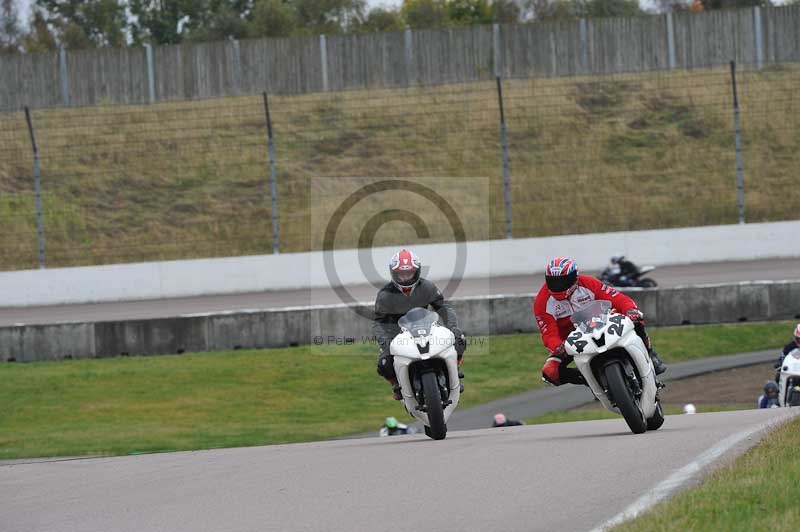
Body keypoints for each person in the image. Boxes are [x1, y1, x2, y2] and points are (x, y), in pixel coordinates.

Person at [534, 257, 667, 387]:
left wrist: (631, 310)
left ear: (574, 278)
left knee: (636, 320)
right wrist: (558, 346)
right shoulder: (542, 302)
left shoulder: (588, 283)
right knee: (549, 372)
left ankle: (650, 353)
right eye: (553, 282)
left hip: (600, 323)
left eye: (563, 281)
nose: (558, 286)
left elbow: (618, 298)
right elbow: (548, 334)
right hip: (571, 342)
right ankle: (593, 381)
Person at [373, 248, 466, 400]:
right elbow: (378, 323)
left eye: (408, 273)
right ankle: (396, 384)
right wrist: (386, 342)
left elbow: (443, 307)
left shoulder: (427, 287)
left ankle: (454, 369)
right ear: (393, 273)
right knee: (384, 363)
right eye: (401, 274)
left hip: (427, 329)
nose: (404, 278)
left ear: (416, 272)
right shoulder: (384, 295)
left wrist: (452, 327)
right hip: (398, 336)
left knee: (459, 339)